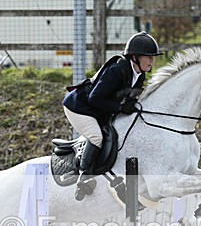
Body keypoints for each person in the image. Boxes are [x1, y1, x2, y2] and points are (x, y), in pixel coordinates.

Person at [63, 31, 162, 200]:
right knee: (96, 137)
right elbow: (95, 98)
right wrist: (120, 107)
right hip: (79, 108)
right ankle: (84, 177)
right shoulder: (116, 70)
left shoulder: (139, 74)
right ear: (135, 57)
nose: (152, 60)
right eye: (148, 57)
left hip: (99, 109)